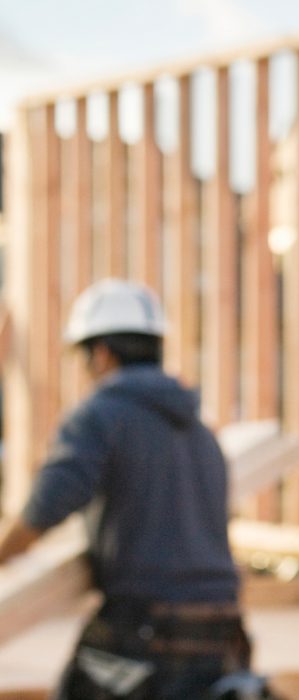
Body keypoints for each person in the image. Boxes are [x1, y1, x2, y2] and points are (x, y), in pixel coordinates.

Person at [0, 279, 263, 699]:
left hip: (148, 628)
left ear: (101, 354)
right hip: (222, 631)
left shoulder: (100, 415)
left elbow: (44, 510)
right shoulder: (200, 431)